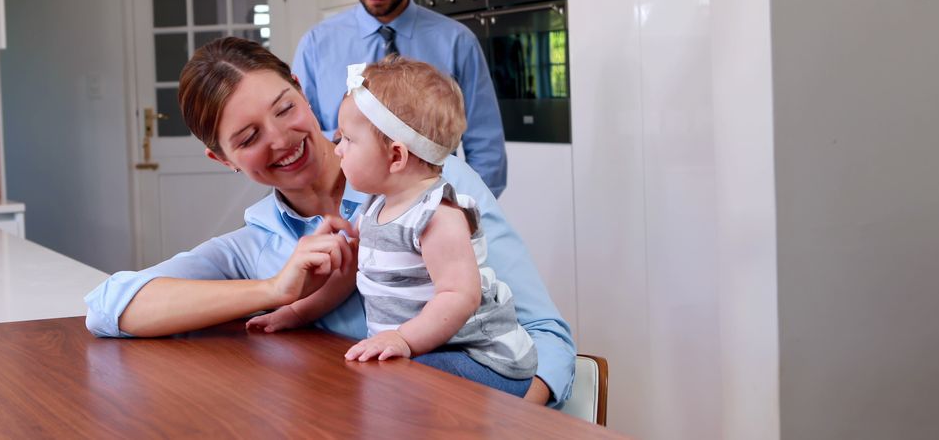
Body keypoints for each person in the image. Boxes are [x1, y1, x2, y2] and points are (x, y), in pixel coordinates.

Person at [83, 37, 575, 406]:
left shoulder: (435, 185)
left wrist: (501, 425)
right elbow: (111, 307)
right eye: (249, 136)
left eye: (284, 109)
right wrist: (276, 290)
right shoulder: (255, 247)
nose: (280, 139)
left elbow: (547, 335)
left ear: (301, 89)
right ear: (224, 159)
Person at [246, 58, 537, 395]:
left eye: (348, 140)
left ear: (396, 157)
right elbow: (348, 280)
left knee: (392, 386)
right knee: (381, 386)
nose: (337, 150)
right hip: (431, 351)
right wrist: (296, 313)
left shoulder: (437, 215)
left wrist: (403, 339)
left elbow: (460, 295)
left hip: (482, 359)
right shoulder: (376, 206)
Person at [292, 0, 508, 198]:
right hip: (344, 217)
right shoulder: (316, 46)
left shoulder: (457, 42)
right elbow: (305, 141)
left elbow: (486, 147)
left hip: (436, 212)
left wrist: (463, 214)